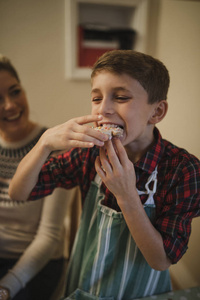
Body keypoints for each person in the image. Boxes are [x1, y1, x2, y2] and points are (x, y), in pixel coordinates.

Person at [9, 50, 200, 300]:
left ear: (157, 112)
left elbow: (162, 260)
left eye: (120, 97)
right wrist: (44, 143)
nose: (104, 110)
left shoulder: (183, 169)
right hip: (83, 285)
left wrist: (127, 196)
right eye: (96, 98)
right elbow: (19, 192)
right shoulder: (89, 153)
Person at [0, 55, 71, 300]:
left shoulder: (53, 147)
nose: (9, 105)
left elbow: (49, 236)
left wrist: (6, 287)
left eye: (15, 91)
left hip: (37, 266)